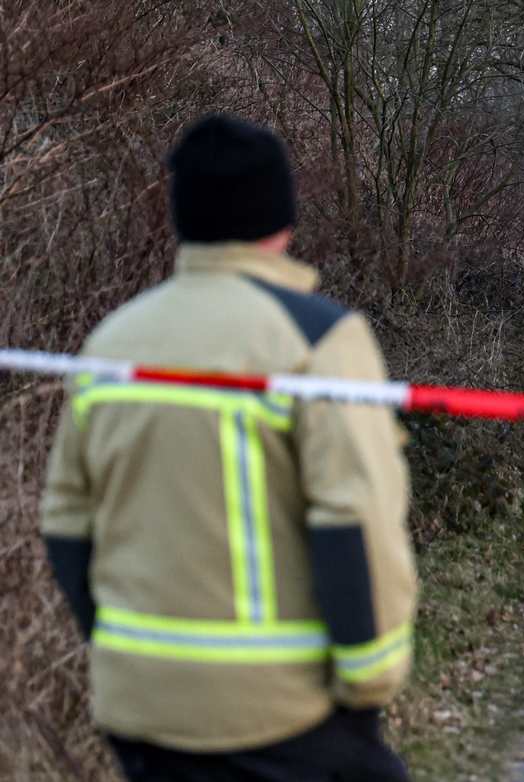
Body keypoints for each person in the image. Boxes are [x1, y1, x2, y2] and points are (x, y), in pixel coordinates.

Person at [39, 114, 417, 781]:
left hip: (139, 710)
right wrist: (371, 677)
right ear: (283, 218)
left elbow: (66, 522)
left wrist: (125, 654)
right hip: (278, 713)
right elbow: (351, 521)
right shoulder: (318, 341)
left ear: (181, 216)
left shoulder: (112, 344)